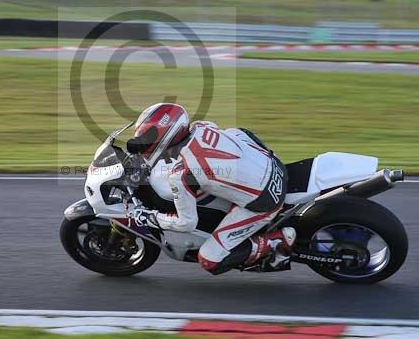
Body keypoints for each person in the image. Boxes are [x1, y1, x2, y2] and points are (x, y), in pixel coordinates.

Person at [125, 102, 296, 274]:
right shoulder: (201, 127)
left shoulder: (182, 174)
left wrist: (147, 217)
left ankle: (278, 241)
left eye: (149, 138)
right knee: (235, 132)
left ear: (165, 138)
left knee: (210, 260)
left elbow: (186, 223)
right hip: (273, 165)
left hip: (264, 201)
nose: (144, 144)